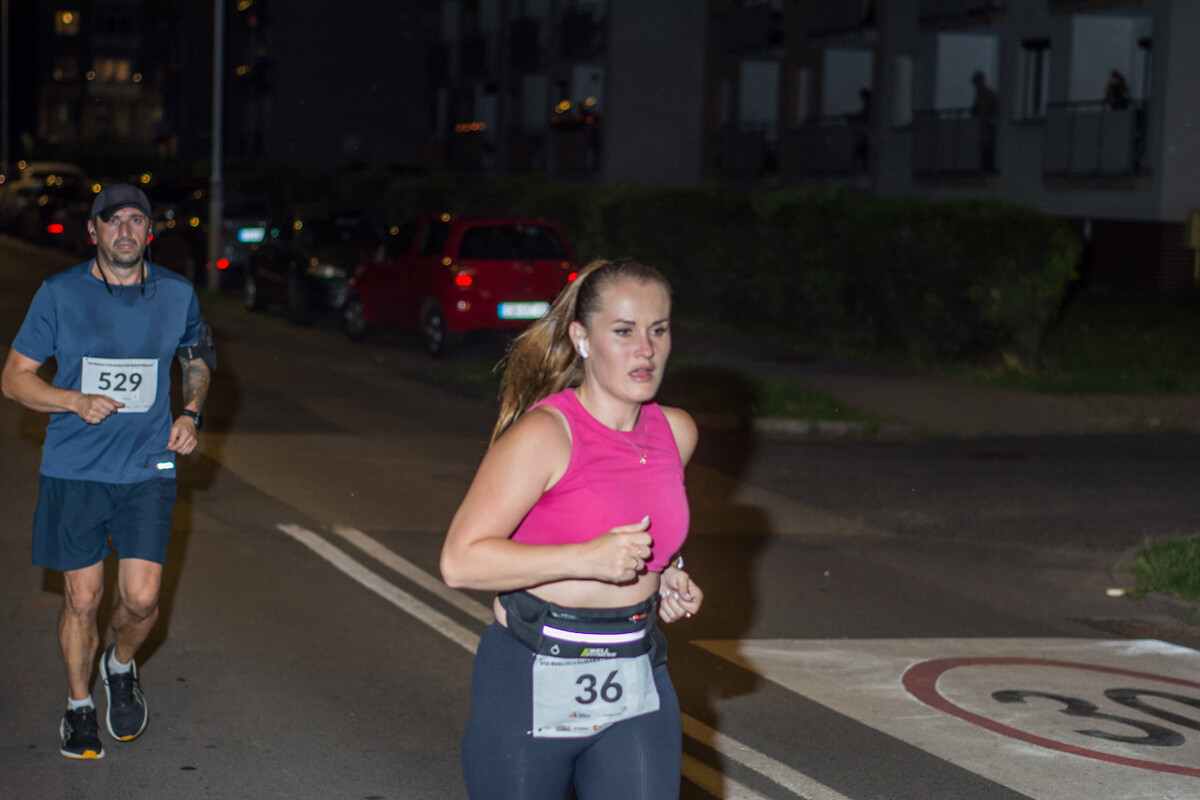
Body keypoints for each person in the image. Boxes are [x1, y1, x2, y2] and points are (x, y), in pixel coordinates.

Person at [441, 257, 703, 799]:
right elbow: (460, 561)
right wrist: (585, 558)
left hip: (634, 672)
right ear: (582, 339)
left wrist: (669, 571)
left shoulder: (677, 432)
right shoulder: (546, 435)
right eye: (624, 331)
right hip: (531, 673)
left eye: (658, 330)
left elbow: (640, 519)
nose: (646, 350)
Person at [1, 183, 214, 760]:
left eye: (136, 220)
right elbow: (14, 379)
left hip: (148, 466)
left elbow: (196, 356)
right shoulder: (59, 294)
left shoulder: (176, 294)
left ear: (150, 232)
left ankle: (120, 665)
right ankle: (78, 707)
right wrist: (72, 400)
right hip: (75, 468)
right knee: (82, 598)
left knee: (141, 600)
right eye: (112, 220)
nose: (125, 231)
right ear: (92, 230)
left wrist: (191, 413)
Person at [970, 70, 998, 173]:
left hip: (987, 124)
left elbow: (992, 106)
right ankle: (984, 168)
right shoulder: (979, 94)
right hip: (982, 124)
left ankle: (988, 168)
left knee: (987, 146)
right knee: (983, 146)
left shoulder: (987, 93)